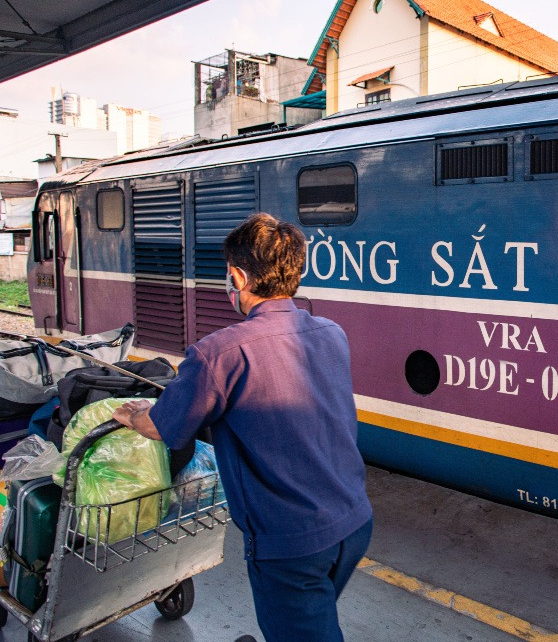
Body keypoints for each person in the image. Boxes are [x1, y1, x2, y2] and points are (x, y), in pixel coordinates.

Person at [114, 212, 373, 642]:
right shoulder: (332, 333)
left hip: (292, 542)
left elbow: (163, 426)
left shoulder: (219, 354)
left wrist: (133, 414)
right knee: (311, 621)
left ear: (237, 277)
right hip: (354, 521)